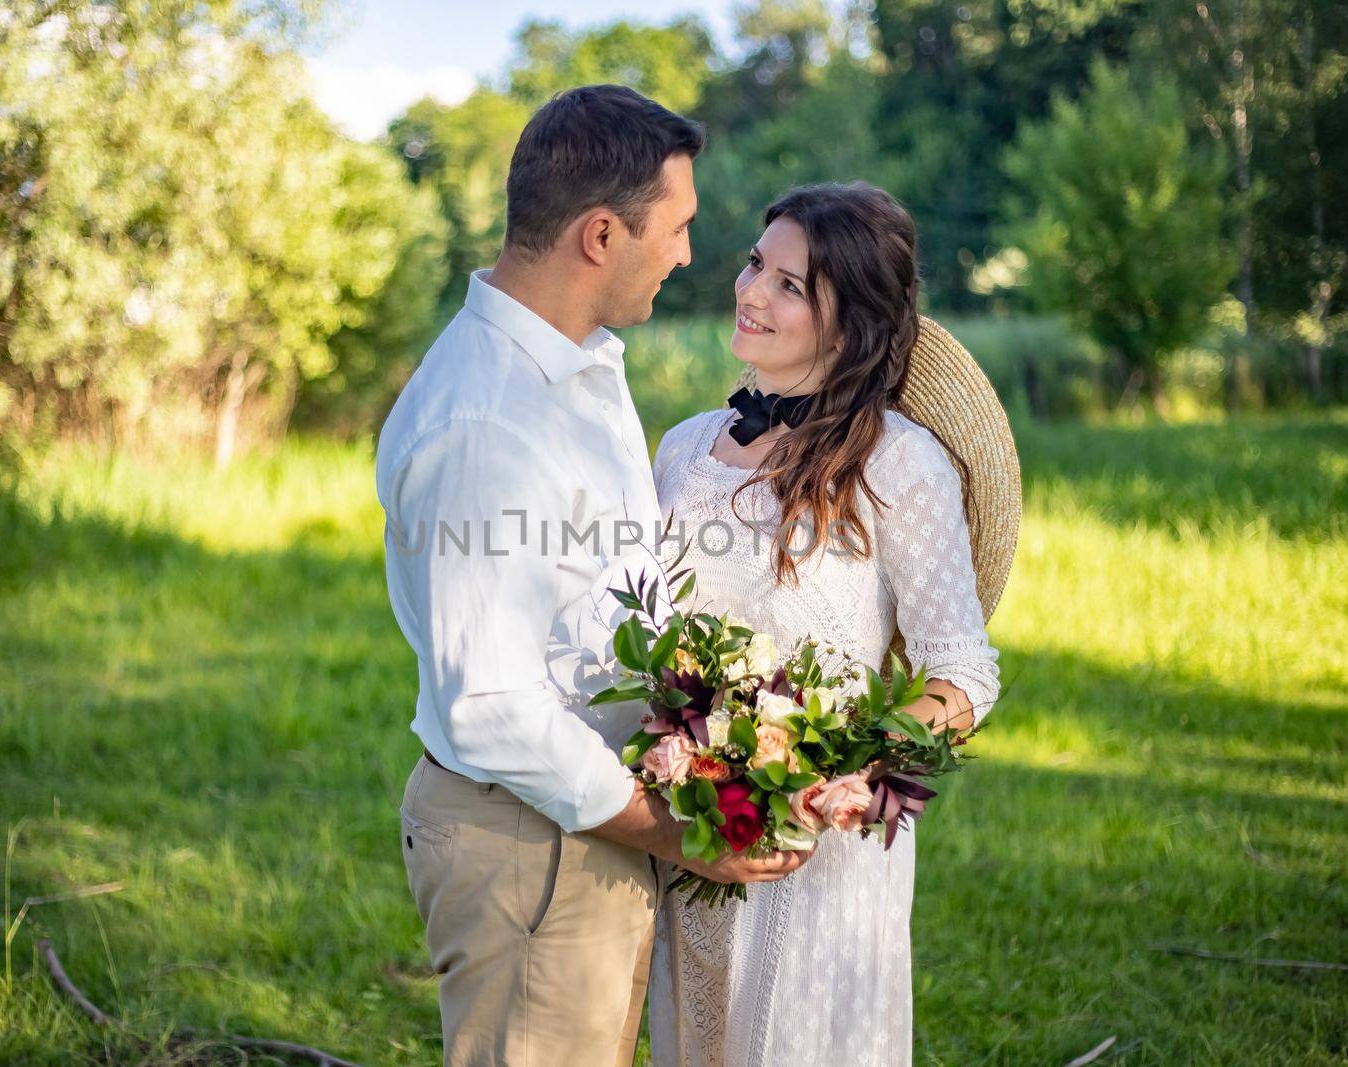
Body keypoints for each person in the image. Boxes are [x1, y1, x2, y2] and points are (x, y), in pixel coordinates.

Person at [373, 85, 811, 1067]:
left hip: (591, 821)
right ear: (602, 235)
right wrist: (683, 835)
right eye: (680, 227)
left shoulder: (580, 370)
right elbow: (488, 706)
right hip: (532, 843)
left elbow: (611, 599)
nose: (692, 255)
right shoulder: (485, 420)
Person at [646, 181, 1014, 1065]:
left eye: (789, 285)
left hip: (825, 848)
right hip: (691, 830)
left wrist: (855, 774)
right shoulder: (680, 448)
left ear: (847, 326)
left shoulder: (901, 460)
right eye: (753, 265)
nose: (750, 292)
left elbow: (964, 670)